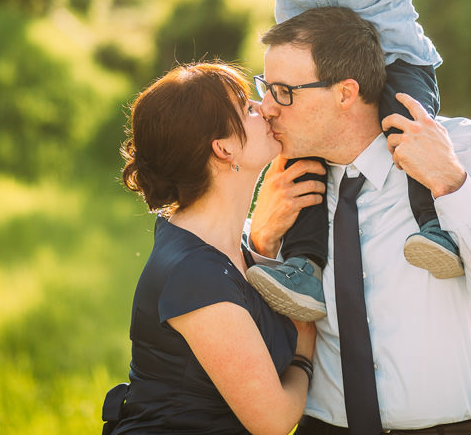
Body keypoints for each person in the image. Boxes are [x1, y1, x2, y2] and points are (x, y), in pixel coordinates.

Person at [149, 0, 460, 324]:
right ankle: (305, 265)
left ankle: (437, 229)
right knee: (299, 152)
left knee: (408, 128)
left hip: (395, 61)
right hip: (317, 80)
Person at [247, 7, 471, 433]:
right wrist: (260, 239)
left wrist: (451, 184)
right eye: (265, 88)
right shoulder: (282, 179)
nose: (267, 109)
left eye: (283, 91)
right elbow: (251, 338)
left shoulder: (463, 147)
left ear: (345, 93)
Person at [102, 62, 316, 435]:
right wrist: (305, 350)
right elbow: (274, 420)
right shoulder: (195, 275)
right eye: (247, 108)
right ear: (223, 148)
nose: (265, 107)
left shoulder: (227, 242)